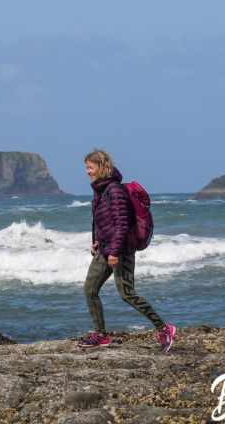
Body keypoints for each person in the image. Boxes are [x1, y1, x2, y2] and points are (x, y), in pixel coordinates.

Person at [78, 149, 176, 352]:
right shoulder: (99, 190)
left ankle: (165, 328)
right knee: (90, 289)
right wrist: (95, 240)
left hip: (120, 250)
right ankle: (101, 335)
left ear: (101, 166)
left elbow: (122, 224)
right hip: (104, 249)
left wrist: (114, 252)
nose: (87, 171)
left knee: (127, 294)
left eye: (90, 167)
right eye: (86, 167)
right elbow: (99, 220)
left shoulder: (114, 190)